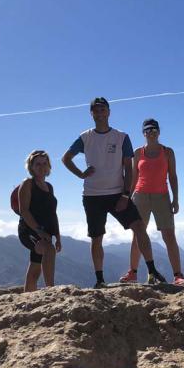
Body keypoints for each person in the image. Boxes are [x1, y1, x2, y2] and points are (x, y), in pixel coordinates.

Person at [61, 97, 166, 288]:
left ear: (109, 112)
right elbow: (66, 158)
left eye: (103, 110)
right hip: (92, 195)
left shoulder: (121, 137)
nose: (100, 113)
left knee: (139, 227)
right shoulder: (85, 137)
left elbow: (129, 167)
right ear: (91, 113)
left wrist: (126, 195)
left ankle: (152, 271)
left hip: (117, 193)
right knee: (96, 237)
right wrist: (80, 174)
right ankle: (100, 279)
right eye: (96, 110)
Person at [120, 118, 184, 285]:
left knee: (169, 235)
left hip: (161, 196)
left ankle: (178, 275)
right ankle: (133, 273)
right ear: (143, 133)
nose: (151, 133)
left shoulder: (168, 152)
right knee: (138, 235)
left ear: (159, 132)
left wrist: (176, 199)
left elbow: (172, 176)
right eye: (148, 130)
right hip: (140, 196)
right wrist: (127, 197)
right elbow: (133, 177)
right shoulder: (137, 153)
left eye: (154, 130)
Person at [17, 150, 61, 292]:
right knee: (49, 250)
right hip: (29, 230)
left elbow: (53, 214)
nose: (41, 167)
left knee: (35, 267)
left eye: (44, 163)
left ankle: (27, 299)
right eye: (38, 164)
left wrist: (58, 236)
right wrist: (39, 231)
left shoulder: (49, 187)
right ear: (31, 167)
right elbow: (24, 210)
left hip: (45, 232)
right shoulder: (28, 184)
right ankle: (50, 290)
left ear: (49, 166)